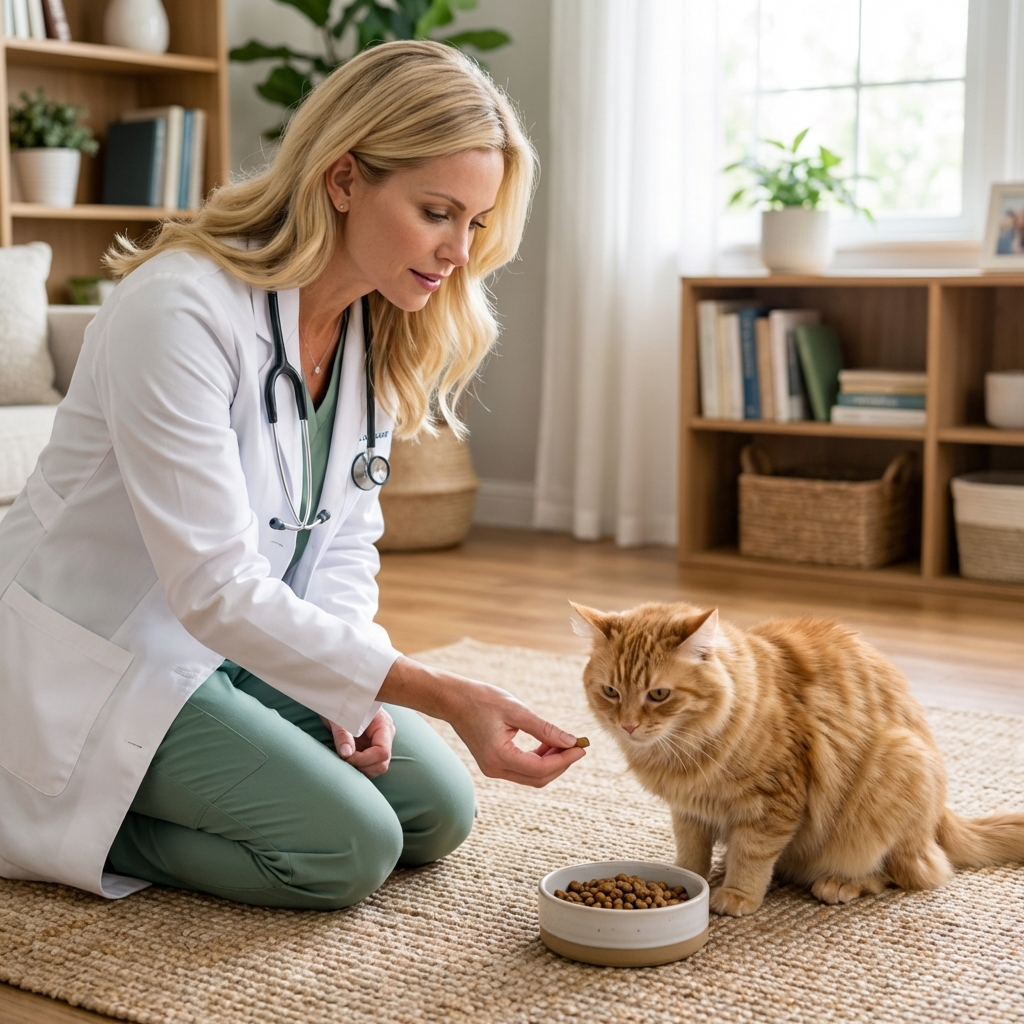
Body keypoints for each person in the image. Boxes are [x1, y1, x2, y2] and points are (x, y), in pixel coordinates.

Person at [0, 41, 585, 909]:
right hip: (111, 647)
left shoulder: (375, 327)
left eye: (476, 222)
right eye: (437, 212)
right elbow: (210, 586)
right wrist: (439, 691)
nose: (459, 250)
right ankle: (42, 815)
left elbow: (345, 537)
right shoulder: (181, 307)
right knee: (346, 849)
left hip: (237, 646)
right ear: (343, 179)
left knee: (435, 811)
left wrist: (347, 685)